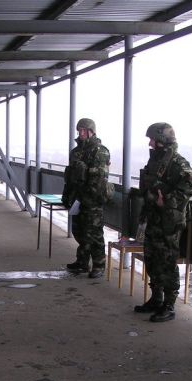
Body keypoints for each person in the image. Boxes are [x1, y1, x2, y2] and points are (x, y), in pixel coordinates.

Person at [133, 123, 192, 322]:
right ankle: (156, 298)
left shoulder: (178, 162)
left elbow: (189, 189)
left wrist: (166, 201)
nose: (150, 143)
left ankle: (169, 305)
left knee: (167, 262)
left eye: (152, 139)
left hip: (169, 223)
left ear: (162, 140)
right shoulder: (156, 161)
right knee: (152, 259)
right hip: (153, 218)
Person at [61, 118, 111, 279]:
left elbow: (99, 177)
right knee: (79, 231)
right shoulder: (76, 152)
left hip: (93, 200)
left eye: (84, 130)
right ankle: (82, 262)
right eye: (79, 130)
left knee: (94, 234)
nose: (81, 133)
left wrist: (87, 196)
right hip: (77, 198)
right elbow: (70, 177)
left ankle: (99, 265)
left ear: (91, 132)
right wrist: (66, 195)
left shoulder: (100, 151)